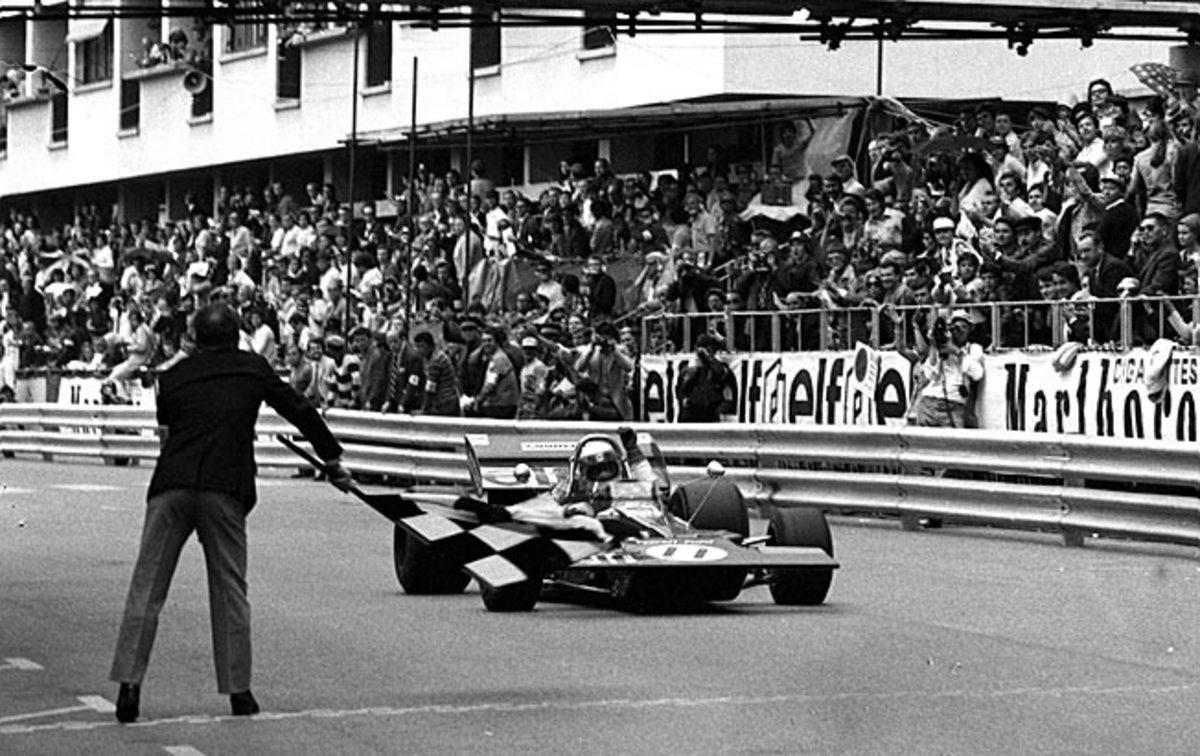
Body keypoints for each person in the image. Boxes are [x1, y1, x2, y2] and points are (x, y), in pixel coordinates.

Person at [109, 303, 350, 723]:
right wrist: (330, 458)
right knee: (229, 591)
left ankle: (130, 685)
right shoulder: (251, 368)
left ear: (194, 338)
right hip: (225, 486)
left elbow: (168, 435)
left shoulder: (173, 376)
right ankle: (239, 691)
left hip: (172, 485)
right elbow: (301, 410)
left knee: (146, 587)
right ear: (238, 334)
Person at [911, 309, 984, 428]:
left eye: (963, 327)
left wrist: (956, 352)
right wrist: (934, 346)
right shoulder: (940, 345)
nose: (958, 331)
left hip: (954, 404)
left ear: (970, 330)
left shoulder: (974, 349)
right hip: (929, 402)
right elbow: (930, 375)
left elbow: (977, 374)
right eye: (955, 327)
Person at [676, 333, 735, 422]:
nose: (711, 353)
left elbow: (724, 375)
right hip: (691, 410)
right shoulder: (688, 366)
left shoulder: (715, 365)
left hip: (711, 410)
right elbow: (684, 387)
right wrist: (697, 365)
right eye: (709, 350)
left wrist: (710, 361)